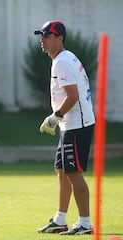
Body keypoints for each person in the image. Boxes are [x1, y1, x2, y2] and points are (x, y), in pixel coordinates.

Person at [34, 21, 95, 235]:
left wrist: (54, 117)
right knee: (62, 170)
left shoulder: (61, 61)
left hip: (76, 125)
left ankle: (85, 223)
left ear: (60, 38)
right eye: (41, 35)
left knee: (73, 172)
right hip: (70, 124)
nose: (43, 39)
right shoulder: (63, 58)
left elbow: (73, 96)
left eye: (47, 36)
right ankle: (60, 219)